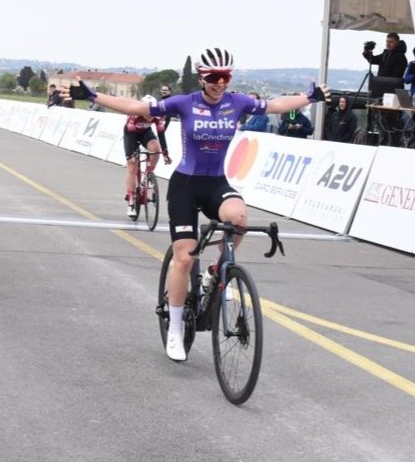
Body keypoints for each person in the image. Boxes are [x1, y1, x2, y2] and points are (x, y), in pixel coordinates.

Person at [64, 47, 325, 362]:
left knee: (239, 217)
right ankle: (175, 328)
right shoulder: (184, 103)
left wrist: (309, 98)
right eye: (213, 77)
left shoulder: (237, 102)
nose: (220, 83)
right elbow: (136, 106)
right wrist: (94, 96)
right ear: (202, 78)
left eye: (225, 77)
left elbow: (276, 105)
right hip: (185, 185)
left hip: (216, 183)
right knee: (185, 257)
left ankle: (216, 271)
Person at [122, 95, 171, 217]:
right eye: (147, 112)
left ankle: (149, 174)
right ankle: (131, 200)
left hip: (145, 132)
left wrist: (165, 152)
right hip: (131, 133)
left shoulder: (158, 115)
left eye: (152, 112)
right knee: (132, 164)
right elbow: (130, 133)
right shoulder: (134, 114)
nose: (150, 115)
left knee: (156, 149)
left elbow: (161, 134)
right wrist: (132, 154)